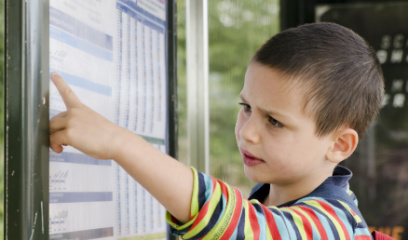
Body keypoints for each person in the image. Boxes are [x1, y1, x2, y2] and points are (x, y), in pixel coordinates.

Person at [50, 22, 384, 239]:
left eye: (275, 121)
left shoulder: (333, 225)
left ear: (339, 144)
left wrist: (120, 143)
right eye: (246, 108)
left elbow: (240, 225)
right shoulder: (267, 197)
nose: (247, 132)